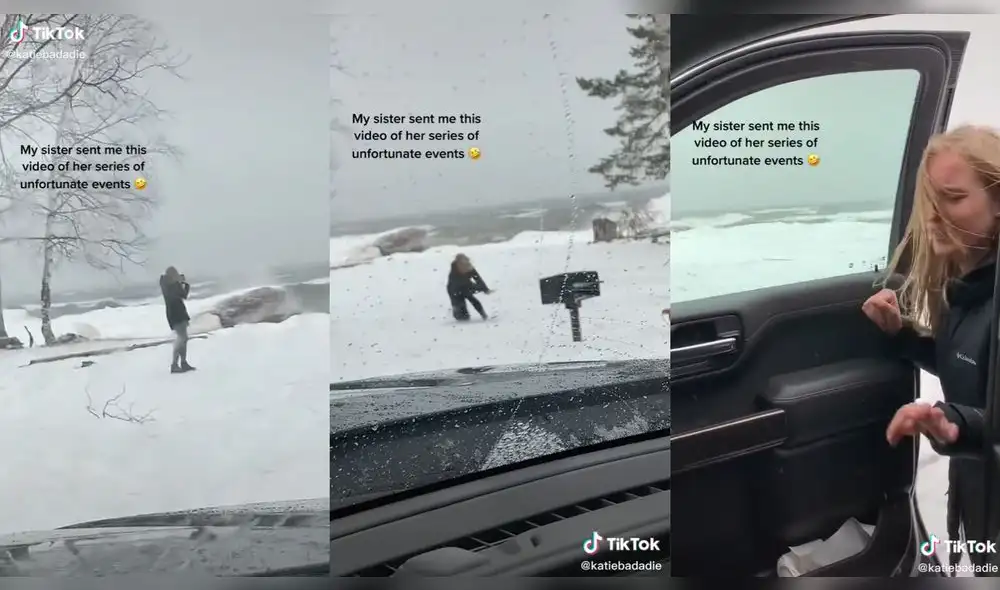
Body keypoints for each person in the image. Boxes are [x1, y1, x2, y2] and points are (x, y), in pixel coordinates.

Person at [862, 125, 1000, 574]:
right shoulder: (970, 283)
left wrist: (956, 425)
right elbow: (968, 361)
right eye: (931, 200)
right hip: (980, 486)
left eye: (954, 197)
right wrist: (900, 333)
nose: (935, 214)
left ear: (997, 203)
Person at [160, 266, 195, 373]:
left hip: (178, 313)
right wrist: (180, 283)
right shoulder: (168, 284)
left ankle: (183, 363)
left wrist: (183, 284)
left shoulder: (168, 284)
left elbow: (183, 295)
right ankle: (175, 364)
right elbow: (178, 295)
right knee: (182, 338)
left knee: (183, 339)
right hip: (175, 314)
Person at [447, 253, 491, 321]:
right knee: (461, 311)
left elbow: (477, 278)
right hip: (454, 289)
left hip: (466, 287)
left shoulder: (469, 267)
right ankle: (457, 312)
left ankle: (483, 314)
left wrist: (485, 289)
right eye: (461, 263)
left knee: (473, 300)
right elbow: (455, 284)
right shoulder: (454, 270)